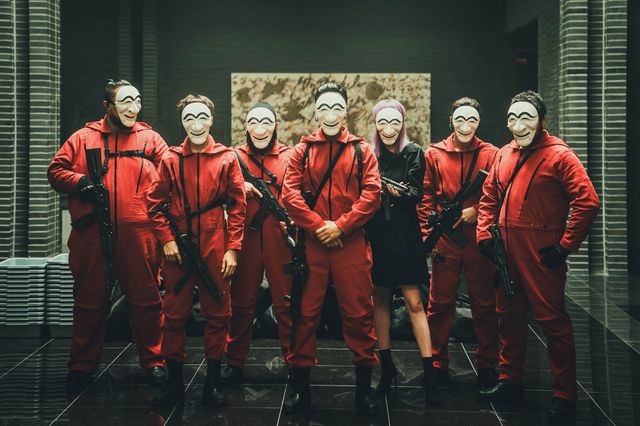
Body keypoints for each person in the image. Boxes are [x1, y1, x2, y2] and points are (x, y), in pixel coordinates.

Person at [476, 91, 600, 423]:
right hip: (505, 250)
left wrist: (565, 246)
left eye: (526, 117)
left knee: (552, 322)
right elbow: (488, 197)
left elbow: (588, 201)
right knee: (508, 316)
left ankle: (564, 395)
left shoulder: (560, 156)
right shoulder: (504, 153)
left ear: (542, 120)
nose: (518, 124)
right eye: (512, 117)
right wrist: (484, 235)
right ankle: (509, 380)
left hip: (541, 252)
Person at [48, 79, 168, 395]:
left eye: (137, 100)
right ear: (108, 106)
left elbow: (172, 174)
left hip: (139, 237)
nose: (133, 107)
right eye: (126, 101)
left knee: (147, 301)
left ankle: (154, 362)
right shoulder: (82, 138)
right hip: (91, 235)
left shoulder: (151, 139)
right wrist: (78, 181)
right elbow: (55, 172)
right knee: (89, 303)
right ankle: (81, 367)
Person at [281, 83, 381, 416]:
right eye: (324, 107)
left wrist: (340, 226)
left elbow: (372, 195)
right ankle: (301, 388)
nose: (330, 113)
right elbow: (289, 194)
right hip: (312, 244)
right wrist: (318, 226)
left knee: (358, 314)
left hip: (350, 243)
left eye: (337, 107)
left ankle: (364, 389)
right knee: (305, 314)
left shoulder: (361, 150)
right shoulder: (302, 150)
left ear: (346, 111)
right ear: (315, 112)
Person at [146, 94, 246, 406]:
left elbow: (238, 207)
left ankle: (212, 384)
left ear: (212, 120)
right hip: (178, 244)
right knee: (174, 315)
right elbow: (154, 204)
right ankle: (174, 384)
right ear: (182, 122)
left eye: (202, 116)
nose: (196, 123)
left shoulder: (227, 158)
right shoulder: (170, 159)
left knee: (218, 313)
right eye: (189, 118)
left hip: (216, 242)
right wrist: (167, 239)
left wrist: (233, 248)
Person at [417, 97, 500, 389]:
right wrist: (429, 235)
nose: (466, 125)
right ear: (451, 120)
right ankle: (437, 363)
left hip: (479, 237)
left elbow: (499, 192)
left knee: (485, 304)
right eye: (460, 119)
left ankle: (488, 364)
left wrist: (475, 210)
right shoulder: (434, 153)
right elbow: (425, 197)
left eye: (472, 120)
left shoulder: (492, 154)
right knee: (439, 304)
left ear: (479, 122)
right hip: (446, 237)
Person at [365, 99, 440, 405]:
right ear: (375, 125)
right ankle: (386, 370)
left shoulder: (414, 152)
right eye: (382, 122)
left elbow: (415, 193)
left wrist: (393, 191)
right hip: (377, 237)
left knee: (415, 303)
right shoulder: (369, 155)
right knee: (380, 301)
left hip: (406, 238)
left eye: (395, 122)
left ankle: (430, 374)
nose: (389, 128)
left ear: (403, 124)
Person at [223, 102, 293, 381]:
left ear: (276, 125)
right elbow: (216, 191)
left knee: (287, 303)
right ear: (246, 126)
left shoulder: (290, 156)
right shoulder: (233, 157)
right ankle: (234, 362)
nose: (260, 128)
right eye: (253, 121)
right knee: (241, 303)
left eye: (266, 121)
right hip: (245, 238)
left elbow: (301, 194)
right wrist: (239, 187)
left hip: (282, 239)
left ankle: (295, 364)